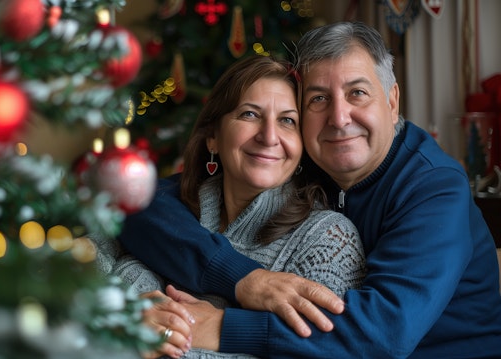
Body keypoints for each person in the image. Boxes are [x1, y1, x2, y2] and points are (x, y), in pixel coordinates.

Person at [116, 22, 501, 358]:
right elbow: (142, 201)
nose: (338, 118)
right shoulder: (310, 161)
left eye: (357, 93)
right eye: (318, 98)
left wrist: (220, 327)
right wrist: (243, 278)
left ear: (392, 101)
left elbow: (385, 334)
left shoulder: (433, 188)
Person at [93, 54, 366, 359]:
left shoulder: (328, 239)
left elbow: (314, 350)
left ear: (301, 147)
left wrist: (166, 340)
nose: (269, 136)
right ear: (213, 137)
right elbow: (68, 275)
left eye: (287, 121)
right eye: (249, 114)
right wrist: (130, 310)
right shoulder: (164, 210)